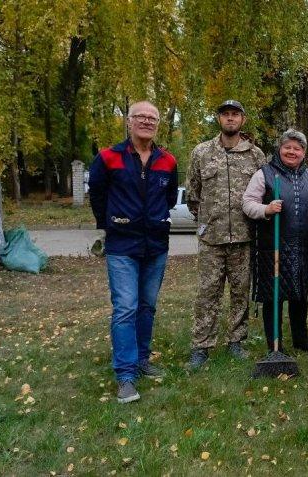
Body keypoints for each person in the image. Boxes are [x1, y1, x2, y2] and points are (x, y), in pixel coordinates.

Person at [88, 101, 178, 404]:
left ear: (158, 124)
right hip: (122, 246)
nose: (146, 121)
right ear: (129, 121)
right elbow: (97, 195)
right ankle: (125, 376)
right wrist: (110, 223)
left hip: (156, 245)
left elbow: (167, 198)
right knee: (125, 307)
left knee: (147, 306)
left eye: (152, 118)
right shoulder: (108, 158)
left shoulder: (167, 161)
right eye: (141, 116)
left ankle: (142, 360)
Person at [186, 100, 267, 370]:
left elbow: (262, 194)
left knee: (240, 292)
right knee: (207, 293)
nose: (230, 119)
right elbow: (193, 195)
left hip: (244, 238)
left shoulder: (255, 155)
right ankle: (201, 345)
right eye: (226, 115)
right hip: (212, 239)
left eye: (235, 115)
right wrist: (208, 221)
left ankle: (236, 341)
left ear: (242, 120)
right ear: (219, 119)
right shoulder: (202, 152)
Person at [242, 129, 308, 353]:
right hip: (273, 245)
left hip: (305, 247)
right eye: (288, 147)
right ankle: (274, 345)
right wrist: (266, 208)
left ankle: (301, 339)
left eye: (297, 148)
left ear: (303, 152)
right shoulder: (265, 173)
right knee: (273, 296)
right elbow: (247, 203)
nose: (292, 152)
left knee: (300, 295)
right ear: (280, 149)